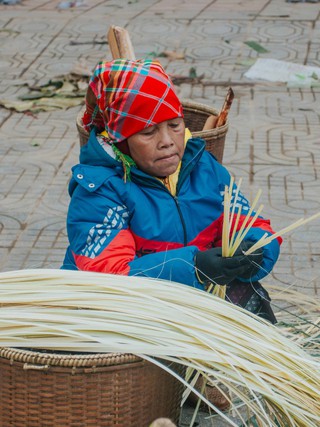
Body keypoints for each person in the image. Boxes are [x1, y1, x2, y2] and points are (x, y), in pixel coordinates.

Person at [62, 58, 281, 408]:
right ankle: (167, 381)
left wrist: (255, 249)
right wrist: (193, 266)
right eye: (148, 132)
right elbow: (111, 279)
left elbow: (250, 221)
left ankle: (200, 372)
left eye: (175, 125)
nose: (168, 142)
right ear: (120, 138)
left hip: (182, 299)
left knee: (249, 293)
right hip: (121, 311)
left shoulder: (203, 167)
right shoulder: (100, 190)